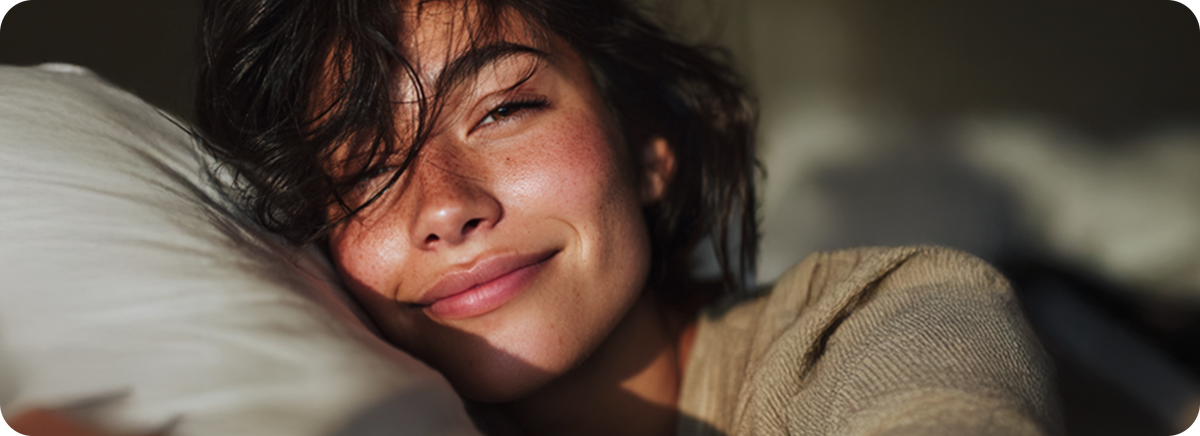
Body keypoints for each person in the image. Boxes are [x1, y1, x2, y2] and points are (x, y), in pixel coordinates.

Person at [195, 0, 1063, 435]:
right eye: (365, 167)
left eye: (503, 111)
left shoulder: (879, 320)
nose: (447, 205)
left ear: (648, 148)